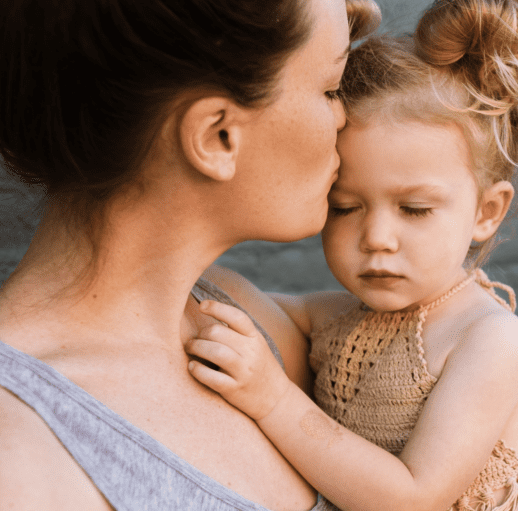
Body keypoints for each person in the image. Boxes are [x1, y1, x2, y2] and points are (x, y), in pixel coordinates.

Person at [0, 0, 379, 509]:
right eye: (331, 89)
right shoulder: (21, 455)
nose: (345, 117)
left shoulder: (248, 321)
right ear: (217, 136)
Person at [185, 1, 518, 510]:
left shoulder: (489, 340)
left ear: (487, 211)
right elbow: (233, 297)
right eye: (346, 206)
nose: (377, 236)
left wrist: (273, 399)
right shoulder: (335, 318)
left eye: (414, 209)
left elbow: (412, 498)